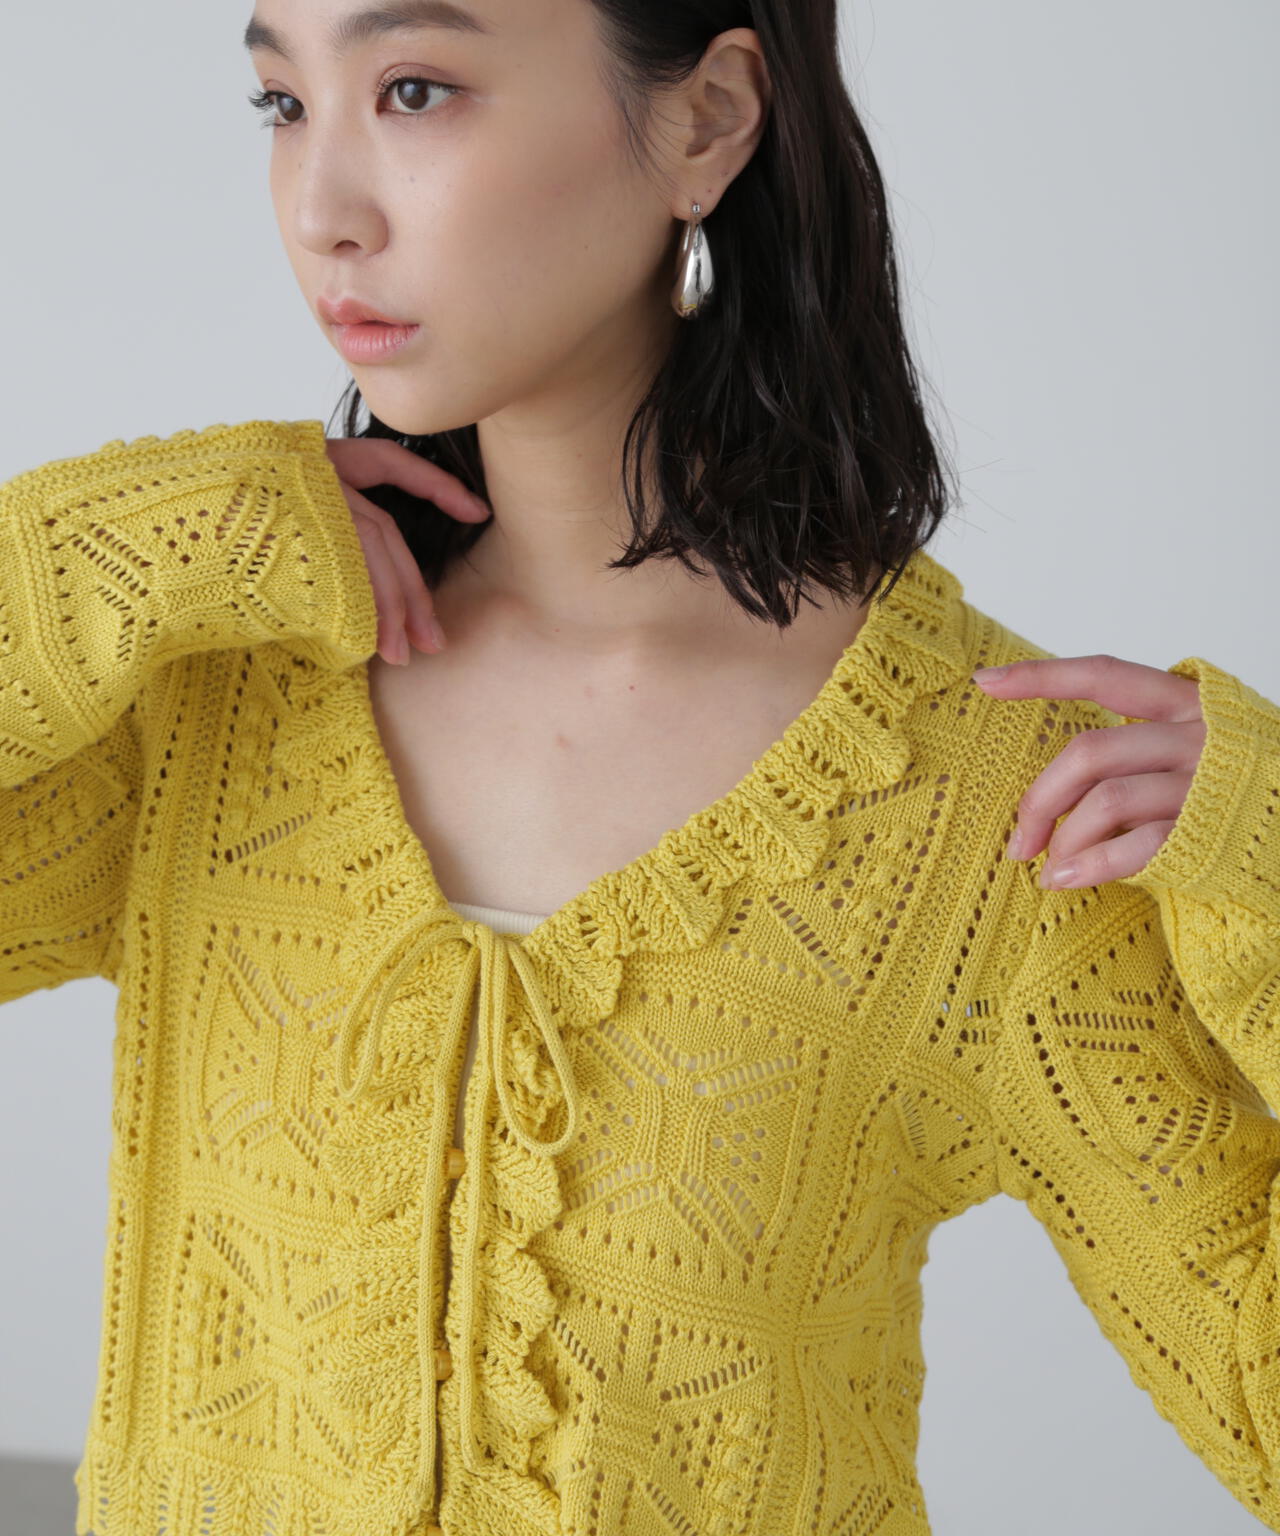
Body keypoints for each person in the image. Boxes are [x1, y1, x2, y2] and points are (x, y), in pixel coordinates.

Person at [3, 3, 1279, 1535]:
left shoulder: (989, 803)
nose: (321, 210)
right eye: (283, 104)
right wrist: (98, 556)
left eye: (414, 90)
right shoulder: (212, 693)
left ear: (706, 119)